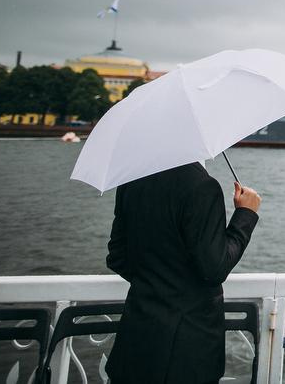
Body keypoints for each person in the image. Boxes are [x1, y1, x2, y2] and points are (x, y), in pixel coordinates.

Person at [105, 162, 262, 383]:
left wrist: (157, 283)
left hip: (135, 338)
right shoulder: (201, 186)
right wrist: (245, 215)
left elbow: (117, 257)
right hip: (187, 349)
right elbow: (214, 269)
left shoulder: (131, 181)